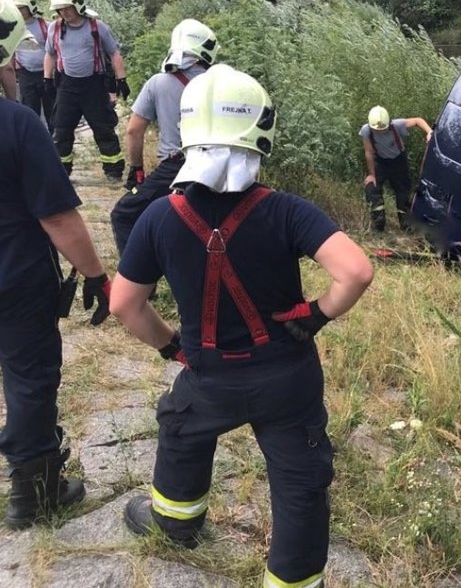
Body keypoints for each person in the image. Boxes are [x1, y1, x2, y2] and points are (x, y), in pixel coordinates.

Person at [109, 64, 373, 587]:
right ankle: (294, 579)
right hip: (288, 379)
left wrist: (171, 348)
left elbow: (124, 304)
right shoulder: (287, 211)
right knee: (300, 480)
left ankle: (176, 522)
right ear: (261, 130)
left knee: (181, 428)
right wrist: (316, 314)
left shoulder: (160, 217)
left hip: (210, 376)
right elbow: (356, 271)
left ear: (188, 133)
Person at [0, 0, 112, 529]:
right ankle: (34, 492)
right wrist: (95, 275)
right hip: (16, 279)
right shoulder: (19, 126)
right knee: (28, 378)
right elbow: (60, 220)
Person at [110, 19, 219, 256]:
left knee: (124, 214)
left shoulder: (158, 83)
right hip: (219, 166)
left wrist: (136, 169)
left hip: (175, 168)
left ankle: (138, 284)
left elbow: (133, 131)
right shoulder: (220, 83)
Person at [43, 0, 129, 180]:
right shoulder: (54, 28)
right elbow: (50, 54)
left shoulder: (97, 27)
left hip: (93, 86)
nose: (63, 13)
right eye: (60, 9)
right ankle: (61, 174)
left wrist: (121, 79)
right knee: (61, 130)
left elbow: (114, 53)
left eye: (67, 8)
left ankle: (114, 171)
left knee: (103, 128)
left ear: (78, 6)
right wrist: (47, 78)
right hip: (67, 86)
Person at [360, 105, 431, 231]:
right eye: (377, 130)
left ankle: (406, 227)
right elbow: (369, 152)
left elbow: (417, 120)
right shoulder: (366, 131)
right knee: (371, 188)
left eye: (383, 129)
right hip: (380, 163)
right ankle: (378, 225)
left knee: (403, 194)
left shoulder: (396, 126)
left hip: (398, 163)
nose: (380, 132)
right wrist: (372, 174)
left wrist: (429, 132)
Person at [8, 0, 54, 131]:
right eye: (15, 8)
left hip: (46, 74)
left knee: (51, 109)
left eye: (21, 8)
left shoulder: (46, 26)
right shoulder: (10, 28)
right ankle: (34, 138)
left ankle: (55, 140)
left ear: (30, 7)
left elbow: (54, 50)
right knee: (30, 110)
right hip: (26, 75)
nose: (19, 11)